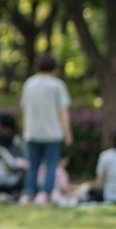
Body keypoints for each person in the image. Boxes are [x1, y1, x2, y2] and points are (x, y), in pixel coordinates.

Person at [19, 53, 73, 206]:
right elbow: (63, 111)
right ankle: (47, 195)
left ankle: (29, 194)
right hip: (53, 133)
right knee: (51, 166)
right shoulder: (57, 85)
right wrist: (68, 133)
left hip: (32, 132)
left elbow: (23, 107)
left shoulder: (29, 83)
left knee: (33, 166)